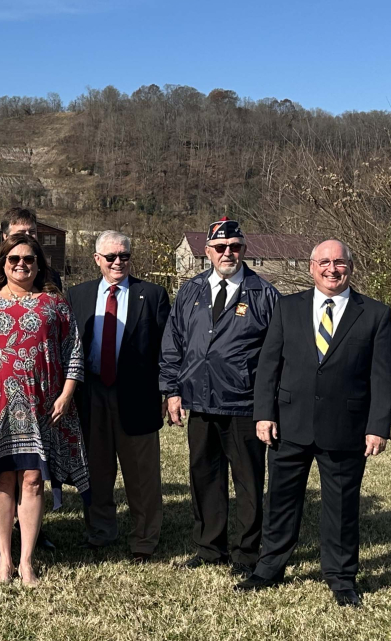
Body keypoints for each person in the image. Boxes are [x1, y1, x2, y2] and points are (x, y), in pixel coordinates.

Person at [236, 240, 391, 607]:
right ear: (311, 267)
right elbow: (269, 366)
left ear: (350, 268)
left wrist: (378, 427)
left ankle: (341, 578)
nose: (331, 269)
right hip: (288, 424)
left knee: (341, 507)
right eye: (324, 262)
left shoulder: (374, 314)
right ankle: (269, 569)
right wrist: (264, 414)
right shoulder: (287, 307)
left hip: (346, 427)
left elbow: (384, 378)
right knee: (280, 500)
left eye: (339, 262)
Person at [159, 218, 280, 578]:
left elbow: (276, 355)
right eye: (221, 247)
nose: (229, 253)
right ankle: (210, 548)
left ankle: (246, 554)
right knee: (205, 478)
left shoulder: (263, 293)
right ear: (207, 252)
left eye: (236, 247)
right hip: (200, 400)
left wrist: (267, 407)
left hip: (244, 404)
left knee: (248, 483)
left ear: (244, 250)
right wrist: (172, 389)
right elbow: (173, 343)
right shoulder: (191, 290)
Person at [0, 234, 88, 586]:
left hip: (43, 407)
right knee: (3, 480)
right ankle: (4, 560)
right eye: (13, 259)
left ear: (39, 265)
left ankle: (26, 561)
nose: (21, 265)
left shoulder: (54, 303)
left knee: (34, 481)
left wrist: (66, 395)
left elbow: (74, 352)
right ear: (2, 263)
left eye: (29, 259)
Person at [68, 231, 170, 561]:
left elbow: (166, 350)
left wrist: (168, 392)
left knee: (142, 475)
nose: (118, 262)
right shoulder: (77, 296)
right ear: (97, 259)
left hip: (137, 395)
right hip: (92, 392)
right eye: (110, 257)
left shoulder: (152, 295)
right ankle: (100, 532)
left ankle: (144, 539)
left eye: (124, 256)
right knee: (97, 470)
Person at [0, 206, 62, 290]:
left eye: (32, 232)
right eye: (21, 232)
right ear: (6, 236)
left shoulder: (51, 277)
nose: (28, 236)